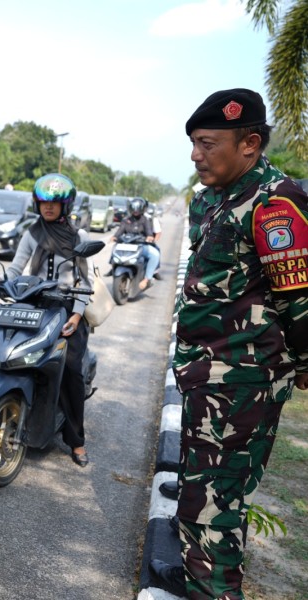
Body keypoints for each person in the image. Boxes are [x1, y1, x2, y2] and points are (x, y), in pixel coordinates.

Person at [149, 88, 308, 599]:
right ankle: (203, 574)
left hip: (242, 382)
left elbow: (301, 299)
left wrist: (301, 365)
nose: (195, 154)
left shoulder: (275, 204)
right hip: (206, 373)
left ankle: (213, 590)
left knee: (213, 500)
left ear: (250, 143)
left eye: (206, 143)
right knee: (207, 492)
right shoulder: (214, 198)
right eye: (193, 143)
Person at [0, 173, 93, 467]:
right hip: (33, 306)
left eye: (54, 203)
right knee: (2, 351)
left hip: (68, 310)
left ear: (65, 205)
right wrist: (0, 280)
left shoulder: (78, 237)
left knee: (71, 370)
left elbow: (86, 278)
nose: (48, 208)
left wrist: (78, 312)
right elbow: (17, 268)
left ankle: (76, 440)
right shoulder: (32, 233)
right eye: (43, 202)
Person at [110, 197, 160, 289]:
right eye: (134, 209)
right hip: (127, 245)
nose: (135, 211)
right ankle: (112, 266)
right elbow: (120, 230)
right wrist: (115, 237)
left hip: (141, 245)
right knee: (114, 248)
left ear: (142, 209)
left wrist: (149, 237)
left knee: (155, 254)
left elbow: (149, 231)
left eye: (138, 209)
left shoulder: (145, 220)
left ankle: (146, 279)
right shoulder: (126, 220)